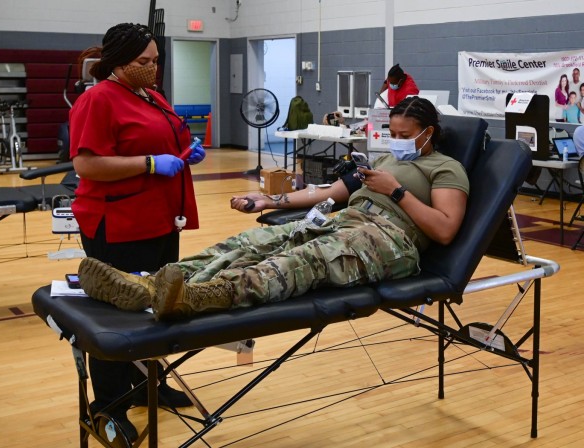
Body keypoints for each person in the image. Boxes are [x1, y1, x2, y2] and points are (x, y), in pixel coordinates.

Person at [78, 97, 468, 323]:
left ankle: (196, 297)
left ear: (427, 133)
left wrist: (397, 192)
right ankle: (154, 283)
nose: (396, 142)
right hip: (345, 221)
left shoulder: (446, 169)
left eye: (403, 136)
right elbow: (327, 193)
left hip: (391, 241)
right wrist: (269, 201)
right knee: (254, 241)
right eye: (392, 134)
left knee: (305, 260)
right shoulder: (383, 164)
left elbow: (445, 229)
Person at [69, 22, 206, 441]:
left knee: (158, 306)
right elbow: (86, 164)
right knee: (116, 316)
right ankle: (108, 406)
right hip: (119, 224)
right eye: (143, 62)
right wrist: (149, 163)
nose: (153, 68)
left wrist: (186, 150)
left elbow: (166, 138)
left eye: (156, 60)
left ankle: (152, 383)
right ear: (118, 63)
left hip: (160, 218)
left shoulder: (151, 96)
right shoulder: (99, 100)